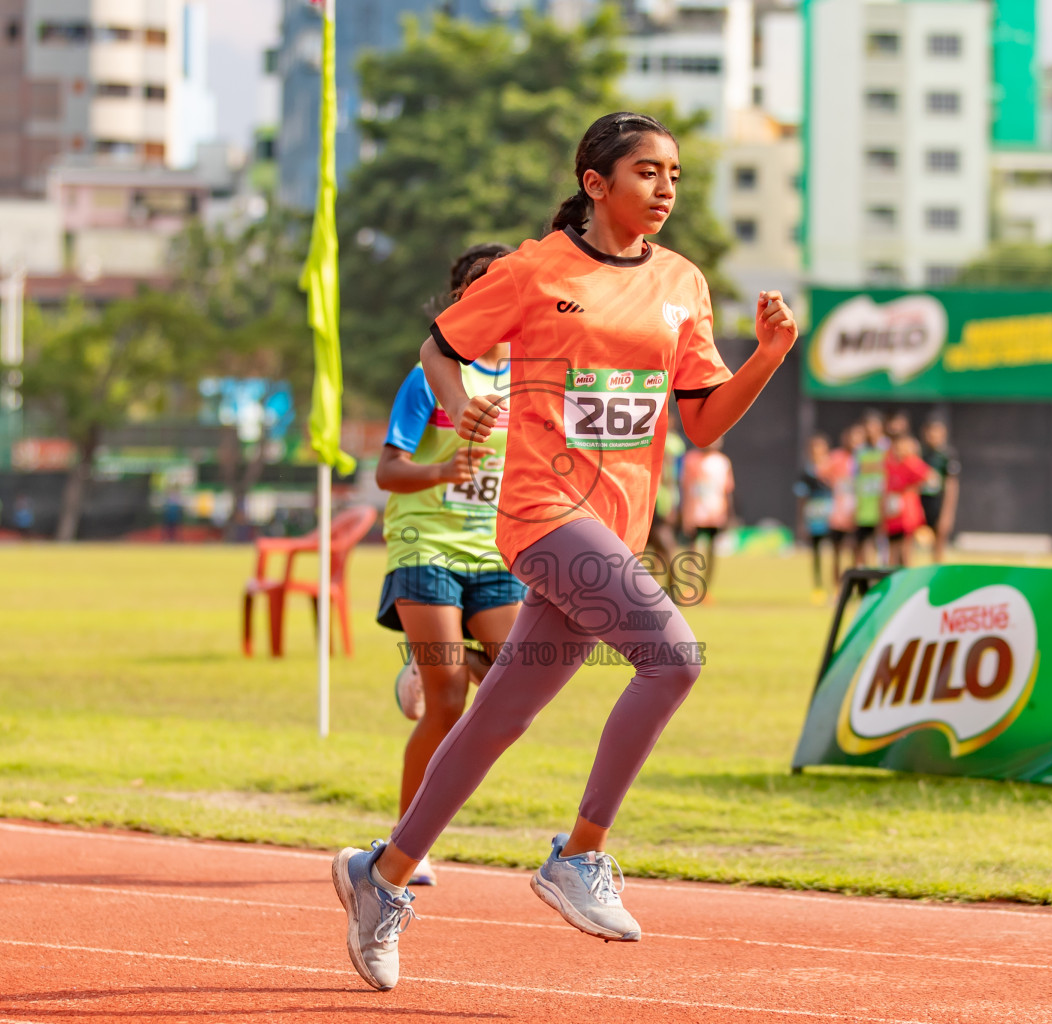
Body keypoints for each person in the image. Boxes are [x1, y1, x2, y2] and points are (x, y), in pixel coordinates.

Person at [331, 111, 798, 992]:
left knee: (498, 718)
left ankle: (380, 875)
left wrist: (767, 356)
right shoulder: (537, 269)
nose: (665, 189)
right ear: (596, 182)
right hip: (544, 514)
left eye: (675, 175)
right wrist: (461, 398)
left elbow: (700, 421)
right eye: (647, 172)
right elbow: (443, 344)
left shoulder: (682, 282)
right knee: (672, 658)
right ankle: (579, 854)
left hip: (617, 523)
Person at [374, 242, 524, 890]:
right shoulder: (428, 377)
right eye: (480, 286)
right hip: (425, 546)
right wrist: (443, 469)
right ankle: (408, 841)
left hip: (496, 555)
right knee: (448, 702)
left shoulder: (531, 379)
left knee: (515, 686)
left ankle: (433, 659)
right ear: (460, 299)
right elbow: (386, 470)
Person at [679, 437, 733, 599]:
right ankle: (691, 587)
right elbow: (685, 488)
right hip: (696, 513)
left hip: (716, 513)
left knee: (711, 551)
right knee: (693, 551)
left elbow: (727, 490)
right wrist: (684, 512)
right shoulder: (691, 459)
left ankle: (706, 589)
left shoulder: (722, 462)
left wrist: (729, 515)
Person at [643, 426, 686, 595]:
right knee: (665, 552)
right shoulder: (658, 452)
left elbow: (670, 482)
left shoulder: (666, 470)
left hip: (657, 509)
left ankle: (666, 592)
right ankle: (668, 592)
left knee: (663, 552)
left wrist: (671, 507)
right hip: (652, 508)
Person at [794, 434, 835, 600]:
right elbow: (801, 499)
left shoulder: (833, 468)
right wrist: (802, 522)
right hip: (815, 517)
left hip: (832, 515)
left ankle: (834, 586)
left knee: (835, 552)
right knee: (816, 553)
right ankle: (818, 587)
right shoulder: (806, 472)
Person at [883, 433, 933, 568]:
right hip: (893, 514)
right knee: (892, 551)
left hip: (907, 515)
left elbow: (932, 479)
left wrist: (911, 488)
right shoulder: (889, 464)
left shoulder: (911, 464)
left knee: (905, 551)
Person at [825, 424, 863, 586]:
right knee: (837, 552)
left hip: (859, 512)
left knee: (858, 551)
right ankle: (837, 587)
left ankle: (859, 587)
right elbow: (821, 472)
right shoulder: (837, 457)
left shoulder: (864, 459)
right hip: (839, 513)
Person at [919, 419, 960, 563]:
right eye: (930, 431)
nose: (933, 435)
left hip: (938, 504)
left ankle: (936, 576)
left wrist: (947, 514)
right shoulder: (920, 453)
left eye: (937, 431)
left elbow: (952, 486)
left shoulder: (947, 456)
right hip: (920, 505)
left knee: (939, 545)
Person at [852, 421, 886, 568]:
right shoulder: (859, 452)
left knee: (882, 544)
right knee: (862, 544)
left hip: (882, 505)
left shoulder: (887, 450)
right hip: (864, 506)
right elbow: (853, 478)